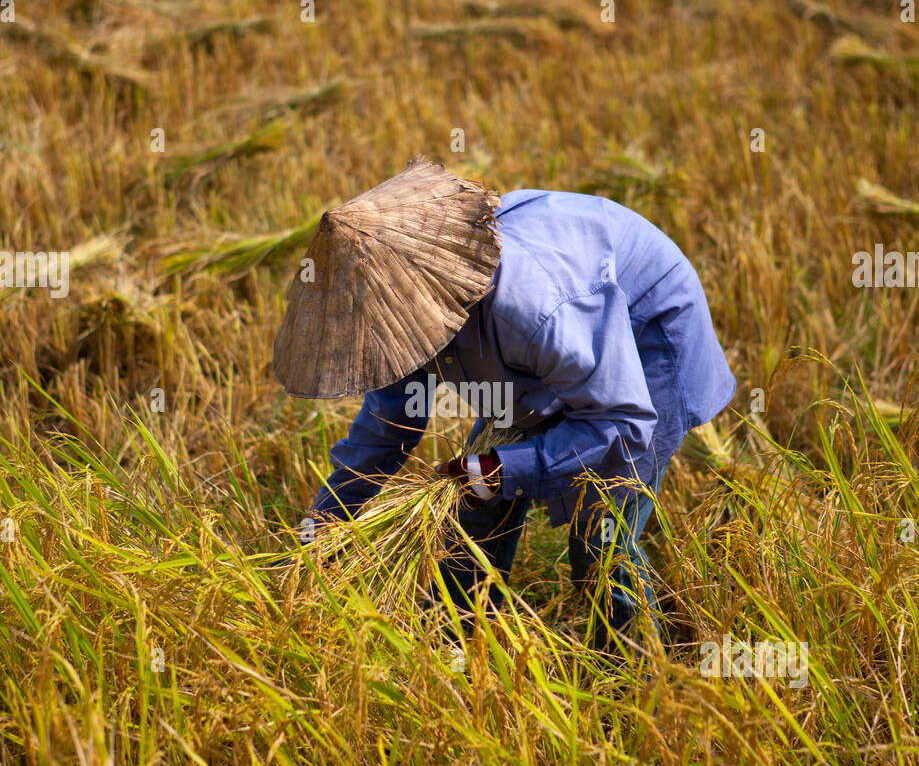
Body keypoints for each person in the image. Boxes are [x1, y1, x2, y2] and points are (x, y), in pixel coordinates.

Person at [273, 157, 735, 646]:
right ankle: (455, 656)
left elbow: (619, 420)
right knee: (467, 517)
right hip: (552, 353)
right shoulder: (398, 323)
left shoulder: (533, 312)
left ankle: (635, 693)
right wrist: (320, 533)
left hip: (644, 336)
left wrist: (508, 468)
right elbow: (385, 431)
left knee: (601, 546)